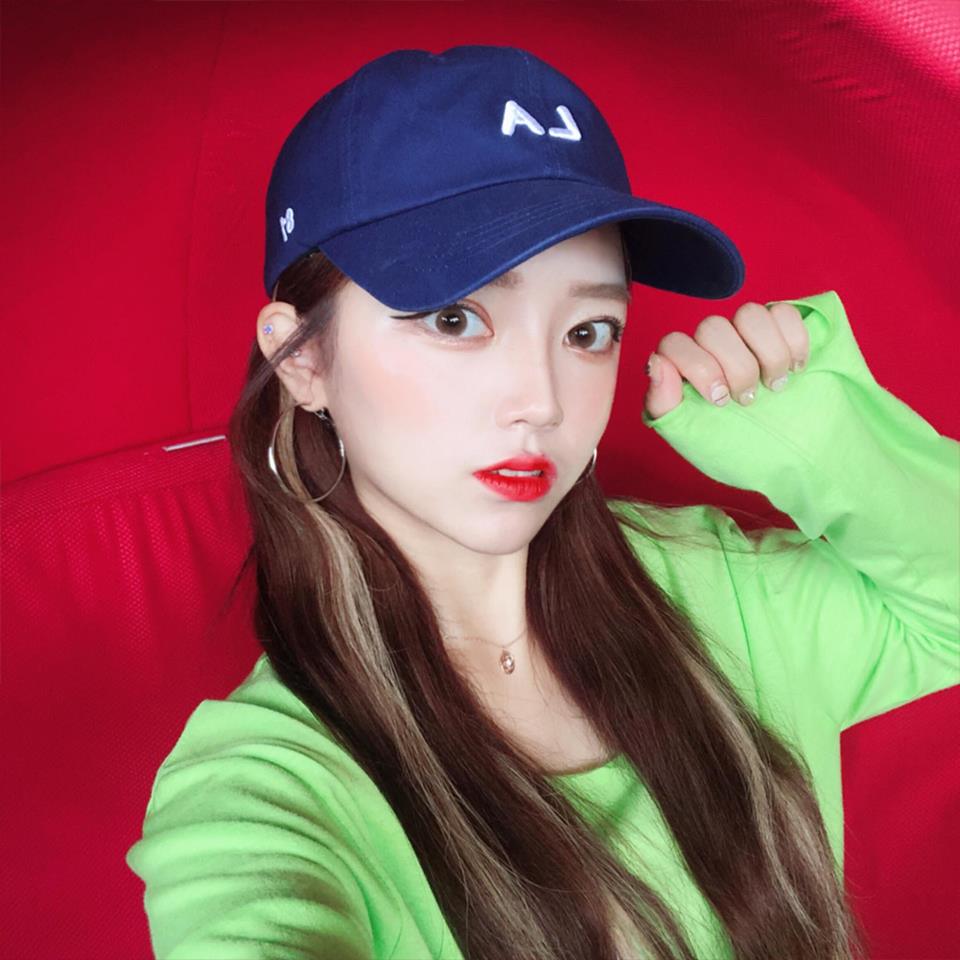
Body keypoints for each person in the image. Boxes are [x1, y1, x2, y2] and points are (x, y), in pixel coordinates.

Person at [125, 45, 959, 960]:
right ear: (303, 359)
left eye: (589, 330)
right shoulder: (271, 786)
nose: (543, 401)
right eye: (456, 318)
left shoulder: (724, 591)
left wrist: (821, 432)